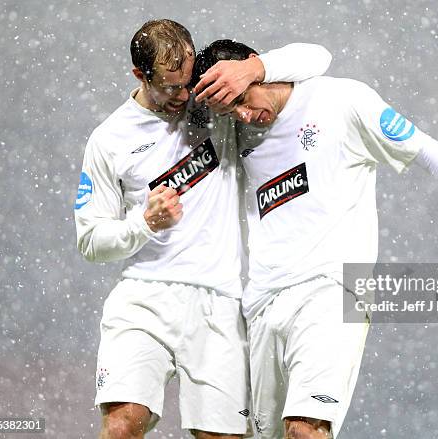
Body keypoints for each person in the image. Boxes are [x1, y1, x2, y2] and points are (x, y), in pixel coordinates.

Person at [192, 40, 438, 439]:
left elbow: (424, 149)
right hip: (262, 301)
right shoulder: (234, 131)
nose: (243, 114)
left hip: (331, 290)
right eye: (230, 110)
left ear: (255, 72)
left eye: (243, 97)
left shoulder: (341, 101)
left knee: (304, 429)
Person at [74, 19, 332, 439]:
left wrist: (254, 68)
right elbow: (90, 241)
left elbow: (317, 58)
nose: (182, 96)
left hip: (221, 303)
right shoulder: (109, 140)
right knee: (123, 423)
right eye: (169, 87)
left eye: (187, 82)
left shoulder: (213, 104)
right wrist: (142, 222)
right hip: (145, 299)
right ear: (140, 75)